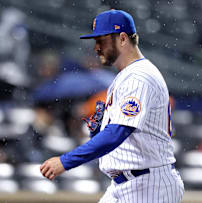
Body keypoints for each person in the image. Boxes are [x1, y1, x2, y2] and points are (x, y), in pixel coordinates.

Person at [40, 10, 184, 202]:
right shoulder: (125, 76)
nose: (96, 47)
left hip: (148, 187)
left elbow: (118, 133)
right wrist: (96, 130)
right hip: (125, 184)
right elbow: (118, 137)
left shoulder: (139, 77)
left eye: (101, 41)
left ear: (123, 39)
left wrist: (65, 161)